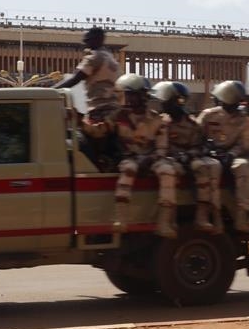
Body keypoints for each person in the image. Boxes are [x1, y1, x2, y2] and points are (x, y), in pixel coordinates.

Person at [112, 74, 177, 238]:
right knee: (128, 169)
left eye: (134, 95)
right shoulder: (118, 117)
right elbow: (106, 136)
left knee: (168, 171)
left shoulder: (157, 119)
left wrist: (149, 159)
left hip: (151, 158)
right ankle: (121, 219)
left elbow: (162, 148)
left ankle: (163, 223)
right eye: (129, 95)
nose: (130, 99)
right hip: (129, 157)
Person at [153, 81, 223, 233]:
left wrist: (187, 155)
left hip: (188, 159)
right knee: (169, 171)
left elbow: (199, 145)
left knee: (204, 167)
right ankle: (168, 220)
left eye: (167, 99)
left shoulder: (191, 123)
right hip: (167, 160)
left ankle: (202, 216)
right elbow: (158, 148)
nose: (163, 103)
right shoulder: (160, 122)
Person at [54, 28, 121, 167]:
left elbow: (75, 79)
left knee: (79, 141)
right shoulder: (110, 57)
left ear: (98, 39)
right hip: (113, 109)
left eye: (88, 40)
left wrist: (50, 91)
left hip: (99, 110)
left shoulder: (94, 57)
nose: (85, 43)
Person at [197, 80, 249, 232]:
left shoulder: (244, 118)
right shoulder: (208, 115)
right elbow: (197, 136)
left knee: (243, 167)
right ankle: (213, 216)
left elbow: (244, 143)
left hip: (233, 155)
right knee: (210, 169)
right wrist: (207, 150)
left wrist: (231, 154)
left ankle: (243, 215)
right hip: (210, 155)